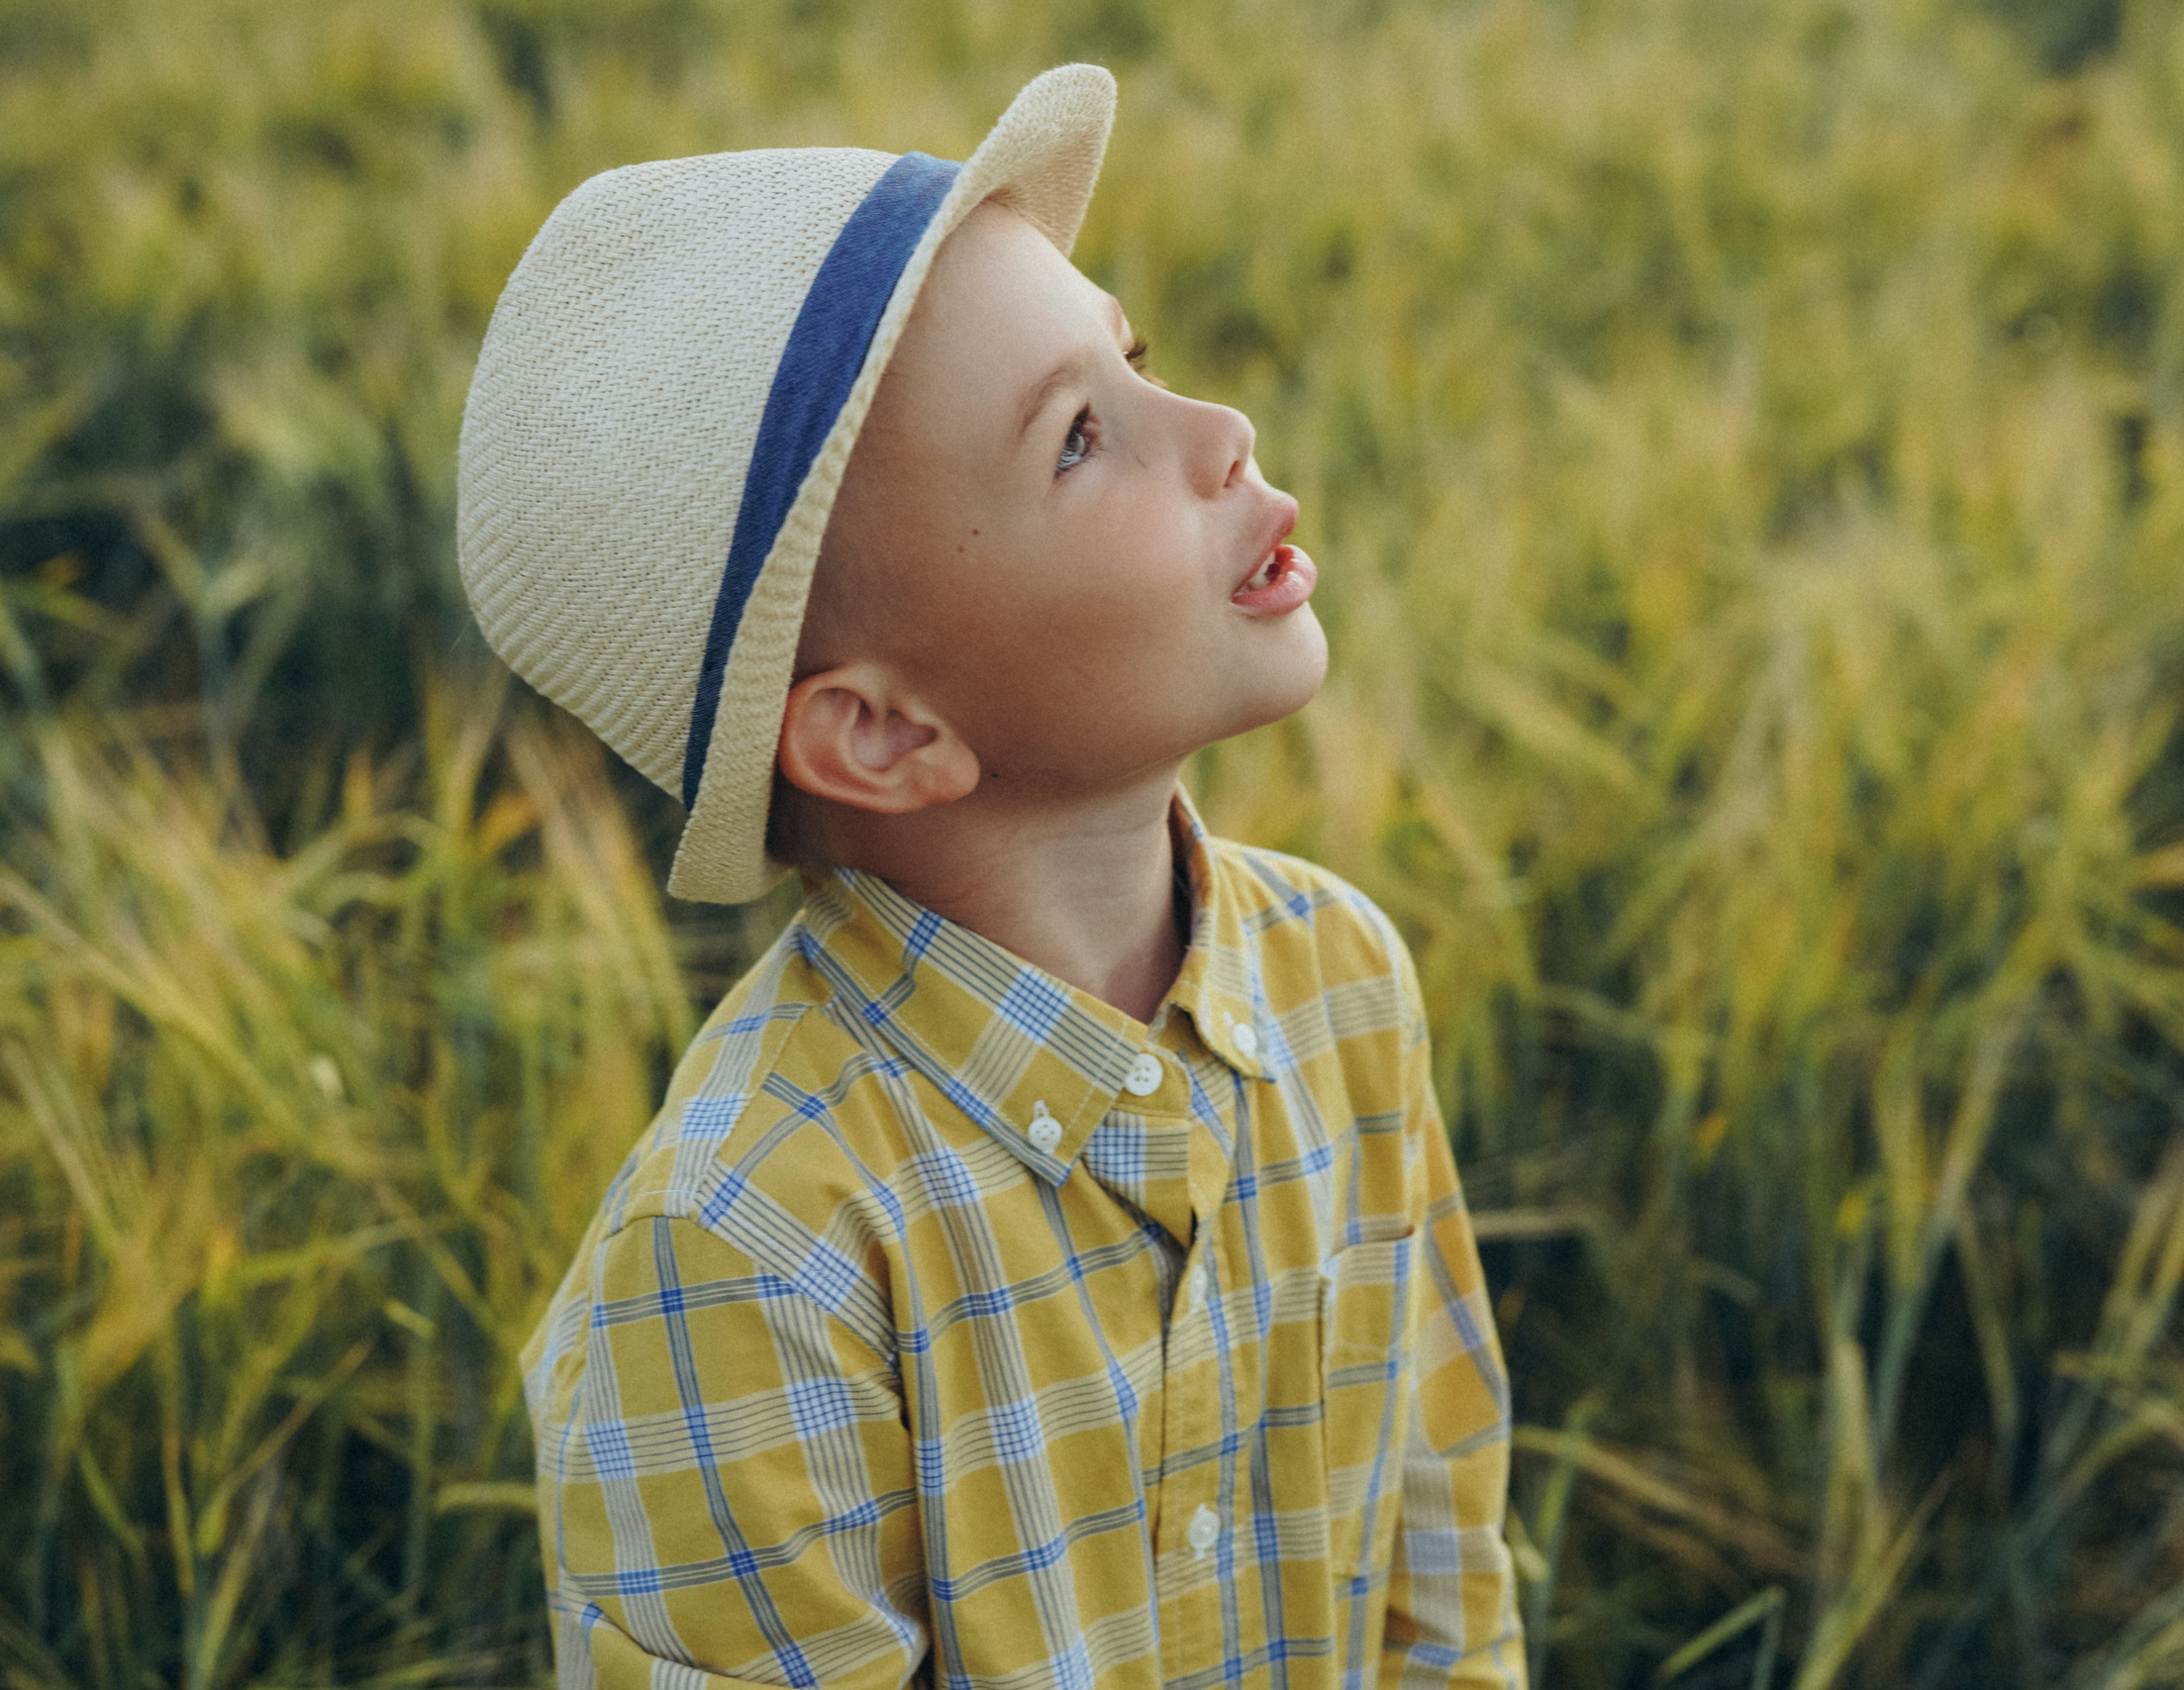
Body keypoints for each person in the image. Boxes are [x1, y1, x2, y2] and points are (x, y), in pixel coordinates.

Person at [456, 62, 1524, 1690]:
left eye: (1135, 358)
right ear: (884, 734)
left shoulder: (1345, 982)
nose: (1222, 432)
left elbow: (1444, 1578)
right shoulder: (751, 1251)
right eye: (1082, 438)